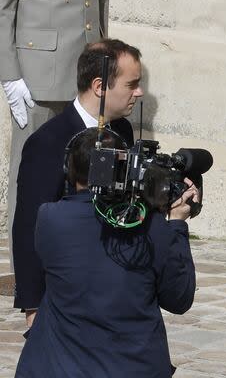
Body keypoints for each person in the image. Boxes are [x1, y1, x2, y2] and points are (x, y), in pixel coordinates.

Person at [13, 127, 198, 378]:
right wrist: (174, 224)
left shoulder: (51, 220)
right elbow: (179, 298)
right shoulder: (154, 230)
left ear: (71, 172)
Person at [13, 39, 141, 328]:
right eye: (131, 84)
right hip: (67, 293)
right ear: (100, 87)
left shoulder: (121, 131)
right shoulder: (49, 141)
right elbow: (29, 225)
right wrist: (33, 305)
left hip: (112, 288)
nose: (139, 92)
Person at [1, 0, 108, 258]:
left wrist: (104, 59)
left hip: (85, 71)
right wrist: (10, 74)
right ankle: (26, 264)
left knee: (82, 170)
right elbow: (2, 6)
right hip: (38, 74)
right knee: (31, 175)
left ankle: (72, 252)